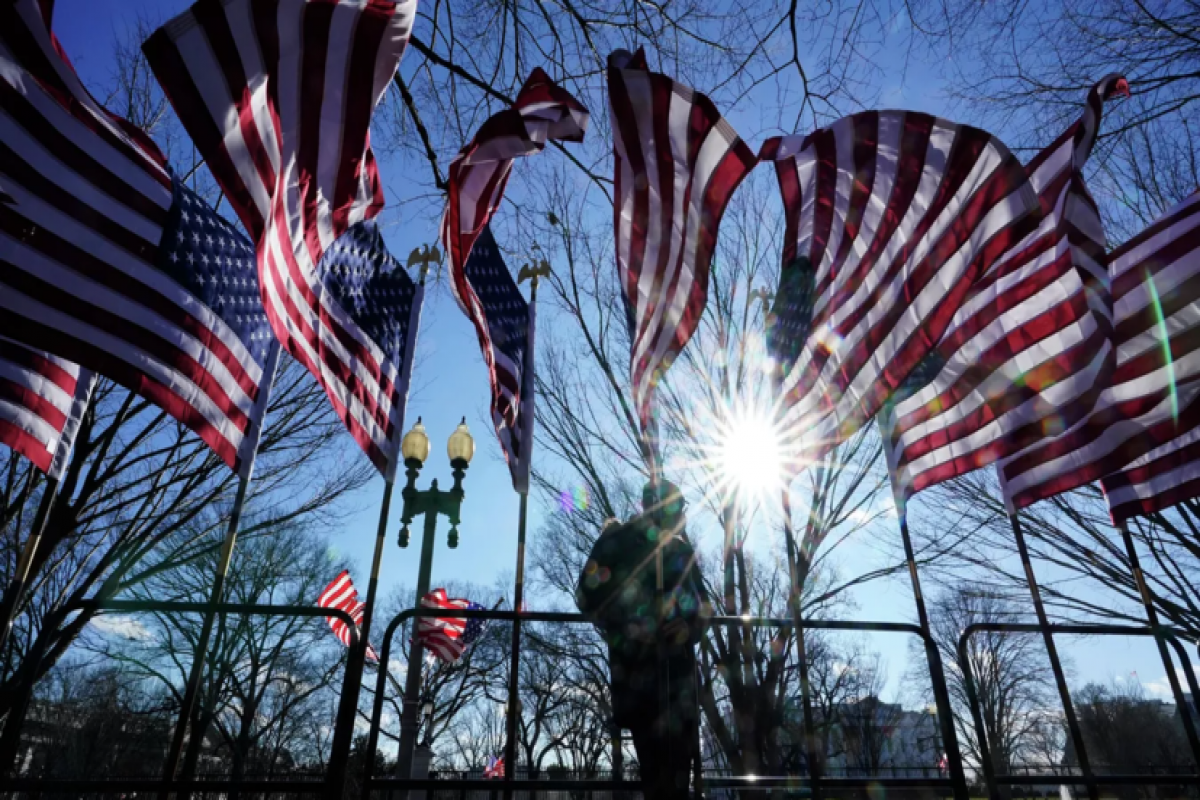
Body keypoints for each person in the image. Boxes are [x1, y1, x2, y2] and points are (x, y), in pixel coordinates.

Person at [575, 480, 711, 798]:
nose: (682, 516)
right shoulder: (617, 542)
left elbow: (704, 610)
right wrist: (632, 622)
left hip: (680, 684)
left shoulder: (680, 551)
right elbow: (586, 596)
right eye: (677, 508)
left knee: (679, 784)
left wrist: (687, 628)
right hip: (639, 679)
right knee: (656, 782)